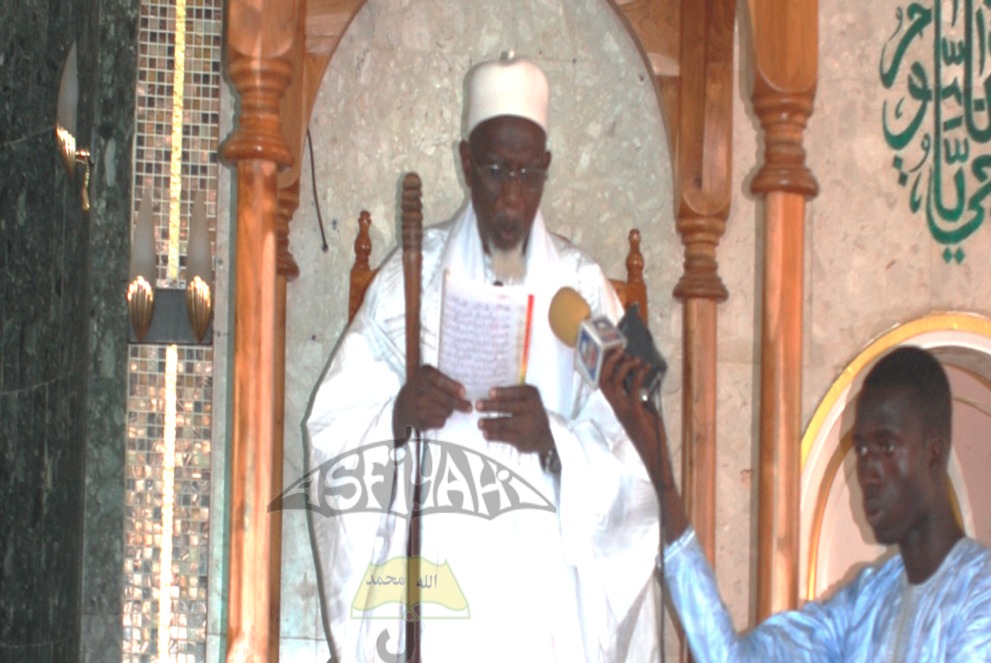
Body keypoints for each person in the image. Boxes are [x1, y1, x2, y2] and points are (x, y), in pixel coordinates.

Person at [305, 53, 661, 662]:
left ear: (547, 168)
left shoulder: (583, 293)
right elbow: (330, 434)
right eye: (496, 169)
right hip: (438, 612)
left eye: (528, 173)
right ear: (466, 162)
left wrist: (555, 442)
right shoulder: (405, 290)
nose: (511, 197)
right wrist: (397, 416)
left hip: (545, 621)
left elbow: (639, 460)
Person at [599, 345, 991, 661]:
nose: (868, 470)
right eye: (862, 449)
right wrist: (661, 475)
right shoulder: (866, 601)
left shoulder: (980, 596)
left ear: (934, 454)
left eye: (886, 446)